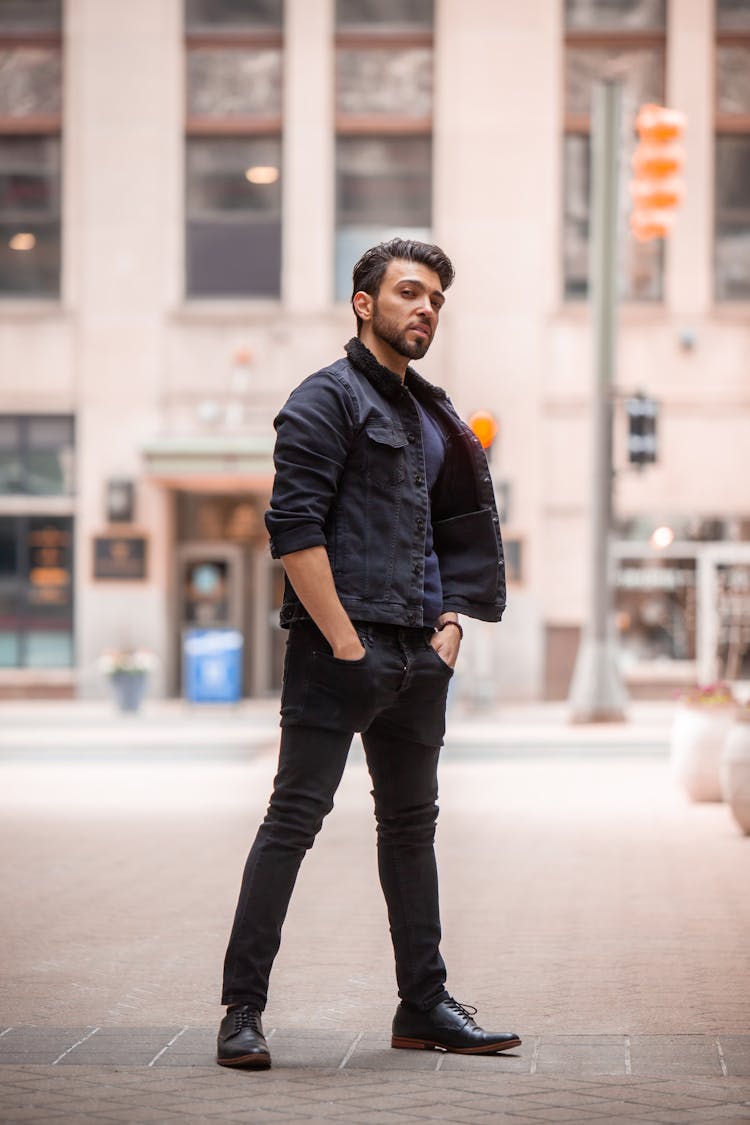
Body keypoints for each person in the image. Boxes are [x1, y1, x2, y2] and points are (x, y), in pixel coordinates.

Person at [217, 238, 520, 1068]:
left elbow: (454, 531)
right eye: (410, 294)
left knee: (411, 830)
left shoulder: (435, 412)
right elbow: (294, 529)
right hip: (339, 652)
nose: (425, 310)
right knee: (292, 822)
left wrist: (449, 628)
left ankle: (423, 1004)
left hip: (421, 656)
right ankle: (241, 1010)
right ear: (364, 302)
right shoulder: (323, 398)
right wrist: (347, 642)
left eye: (436, 301)